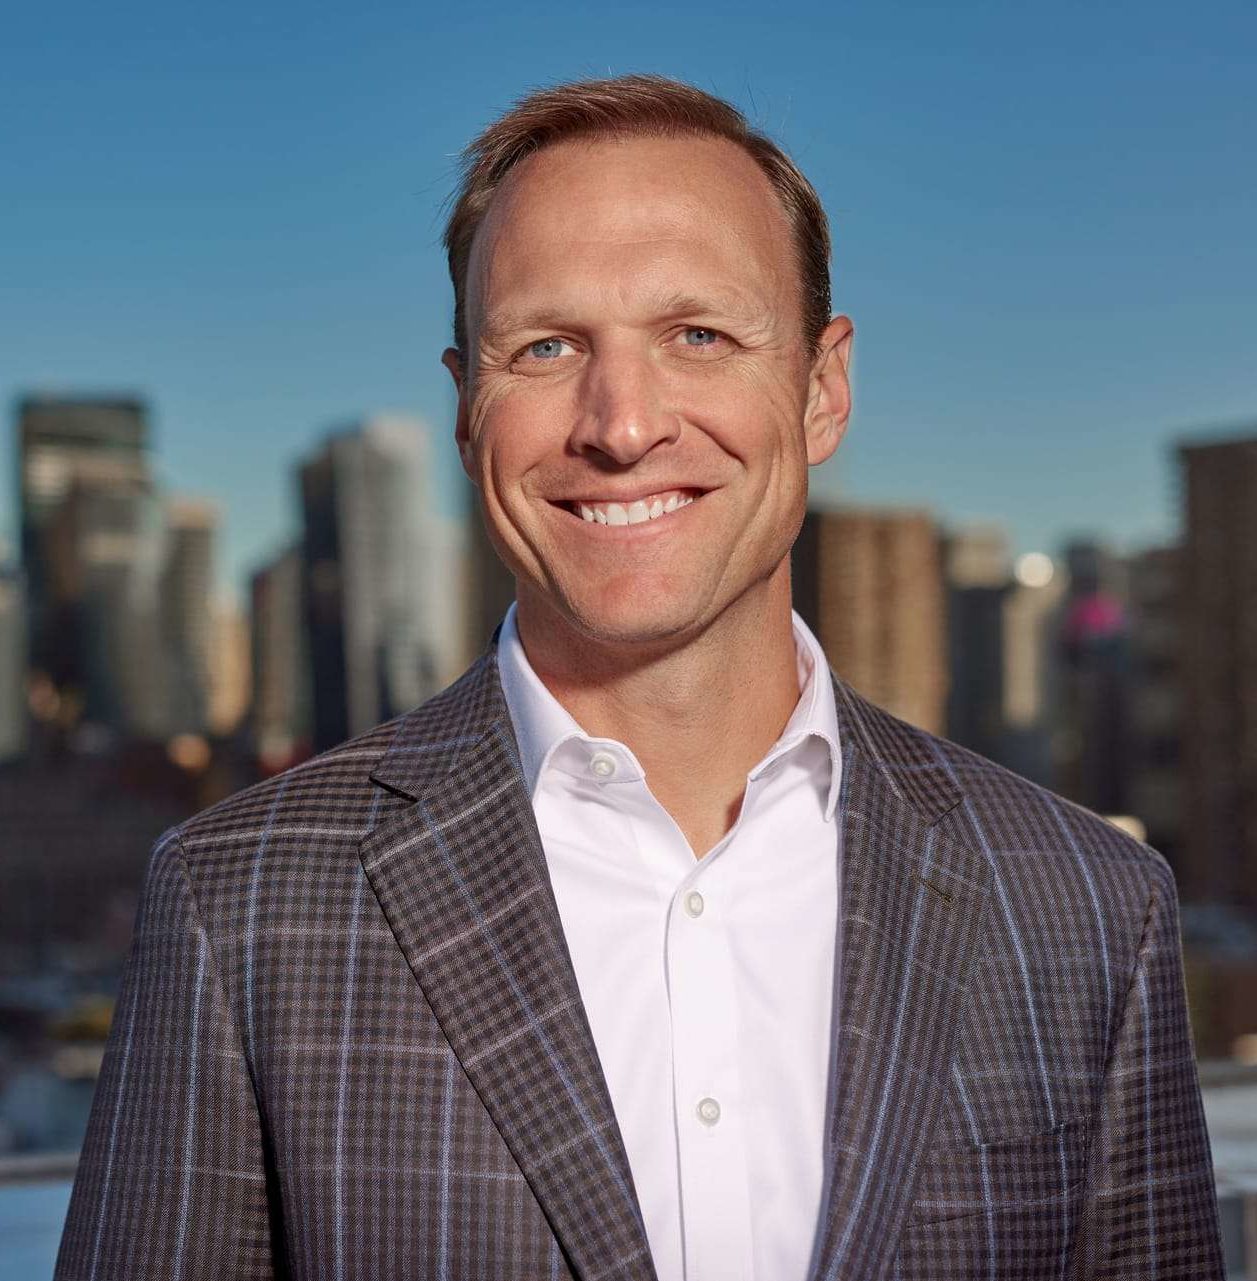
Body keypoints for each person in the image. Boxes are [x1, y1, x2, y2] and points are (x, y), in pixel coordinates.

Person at [55, 74, 1224, 1281]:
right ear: (467, 408)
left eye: (698, 336)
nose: (620, 427)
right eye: (546, 347)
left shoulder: (1088, 903)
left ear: (822, 390)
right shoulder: (240, 902)